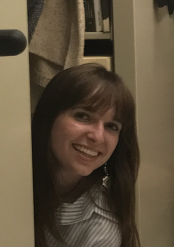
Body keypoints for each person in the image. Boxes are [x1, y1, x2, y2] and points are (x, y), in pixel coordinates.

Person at [31, 63, 141, 247]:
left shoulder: (100, 230)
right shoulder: (3, 175)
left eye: (111, 126)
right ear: (49, 117)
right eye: (83, 116)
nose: (97, 136)